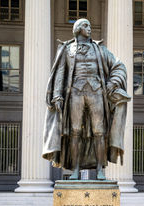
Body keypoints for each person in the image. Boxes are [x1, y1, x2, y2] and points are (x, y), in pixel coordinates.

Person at [42, 18, 130, 180]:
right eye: (86, 26)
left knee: (99, 131)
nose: (89, 28)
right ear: (77, 29)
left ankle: (100, 170)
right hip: (75, 92)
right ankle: (74, 170)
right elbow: (60, 73)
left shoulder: (100, 50)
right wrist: (56, 95)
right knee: (75, 132)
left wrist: (112, 83)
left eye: (90, 25)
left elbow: (119, 66)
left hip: (97, 92)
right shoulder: (67, 49)